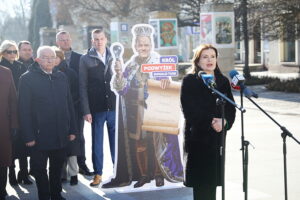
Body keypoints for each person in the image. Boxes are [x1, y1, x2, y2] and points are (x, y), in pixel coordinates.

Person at [103, 24, 183, 189]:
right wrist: (118, 74)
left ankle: (159, 174)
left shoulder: (158, 62)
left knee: (157, 143)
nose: (143, 48)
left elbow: (167, 85)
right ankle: (144, 175)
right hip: (136, 112)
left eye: (146, 45)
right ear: (135, 45)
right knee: (140, 144)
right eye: (140, 45)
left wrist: (166, 82)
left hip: (155, 110)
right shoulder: (130, 65)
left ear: (151, 45)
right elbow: (121, 89)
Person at [19, 46, 77, 200]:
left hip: (60, 133)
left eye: (52, 56)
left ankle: (56, 194)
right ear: (37, 59)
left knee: (57, 167)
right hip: (38, 135)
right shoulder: (27, 78)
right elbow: (23, 110)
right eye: (45, 57)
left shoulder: (61, 77)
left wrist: (72, 129)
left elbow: (69, 105)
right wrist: (28, 136)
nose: (50, 60)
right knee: (39, 169)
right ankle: (44, 196)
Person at [180, 44, 236, 200]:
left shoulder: (223, 81)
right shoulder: (190, 80)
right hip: (198, 140)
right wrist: (212, 122)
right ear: (198, 61)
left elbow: (231, 108)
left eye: (212, 56)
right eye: (205, 57)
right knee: (202, 187)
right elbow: (189, 110)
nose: (209, 60)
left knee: (212, 186)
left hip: (217, 141)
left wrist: (225, 122)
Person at [79, 28, 116, 187]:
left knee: (116, 143)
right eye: (95, 39)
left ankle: (117, 171)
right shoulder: (85, 59)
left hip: (114, 107)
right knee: (97, 144)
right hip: (96, 108)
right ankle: (98, 174)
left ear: (106, 39)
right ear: (92, 41)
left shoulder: (115, 56)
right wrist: (86, 110)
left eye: (101, 38)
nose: (99, 42)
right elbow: (82, 86)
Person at [56, 31, 93, 176]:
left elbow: (84, 83)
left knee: (79, 136)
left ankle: (81, 164)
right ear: (57, 41)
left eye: (67, 39)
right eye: (62, 40)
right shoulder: (52, 56)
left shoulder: (80, 58)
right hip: (58, 107)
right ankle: (61, 169)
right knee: (60, 137)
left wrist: (84, 107)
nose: (65, 42)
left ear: (70, 40)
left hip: (77, 104)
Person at [0, 40, 30, 186]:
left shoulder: (20, 66)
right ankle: (11, 175)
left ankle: (24, 173)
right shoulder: (3, 69)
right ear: (3, 53)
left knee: (23, 143)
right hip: (8, 110)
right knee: (9, 147)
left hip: (21, 107)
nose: (12, 54)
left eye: (14, 52)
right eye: (8, 52)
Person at [53, 47, 81, 186]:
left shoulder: (70, 73)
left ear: (61, 58)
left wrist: (70, 104)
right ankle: (61, 174)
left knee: (72, 146)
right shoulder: (48, 73)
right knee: (58, 146)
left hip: (71, 113)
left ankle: (74, 174)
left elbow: (77, 92)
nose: (53, 60)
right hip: (55, 116)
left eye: (56, 57)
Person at [0, 66, 18, 199]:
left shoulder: (6, 72)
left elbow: (13, 100)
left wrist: (14, 125)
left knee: (3, 160)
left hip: (3, 126)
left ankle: (1, 190)